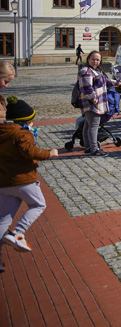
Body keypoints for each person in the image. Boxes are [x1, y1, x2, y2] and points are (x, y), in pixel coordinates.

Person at [0, 97, 59, 268]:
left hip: (4, 181)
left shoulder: (3, 131)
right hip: (24, 179)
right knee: (38, 205)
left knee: (4, 217)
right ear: (26, 120)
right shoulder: (21, 133)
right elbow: (29, 151)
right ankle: (18, 232)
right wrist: (50, 153)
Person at [77, 51, 121, 157]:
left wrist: (118, 83)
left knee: (88, 125)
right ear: (88, 59)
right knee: (93, 126)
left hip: (96, 103)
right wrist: (95, 100)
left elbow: (105, 81)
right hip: (91, 104)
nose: (95, 61)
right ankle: (94, 149)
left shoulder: (95, 71)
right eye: (93, 59)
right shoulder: (85, 71)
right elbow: (86, 89)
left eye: (98, 59)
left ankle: (88, 148)